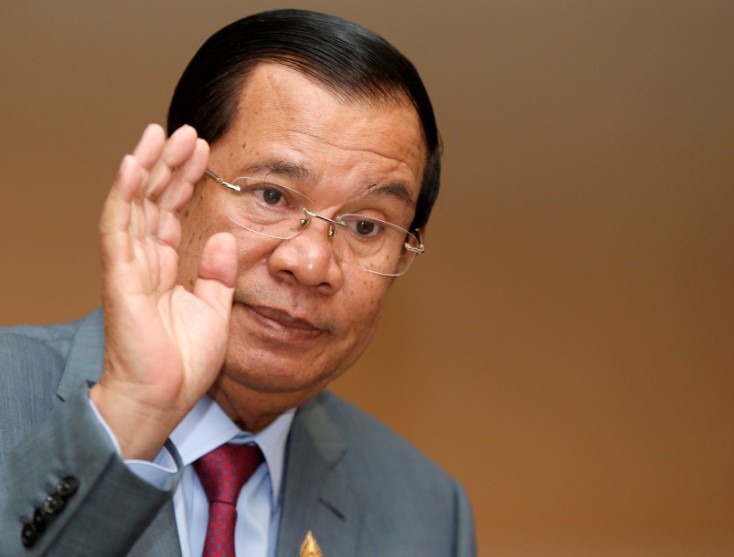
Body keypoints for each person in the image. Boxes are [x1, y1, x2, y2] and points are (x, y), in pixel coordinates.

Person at [0, 9, 475, 557]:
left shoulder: (427, 512)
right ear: (176, 187)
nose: (311, 262)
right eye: (271, 195)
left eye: (365, 225)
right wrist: (131, 416)